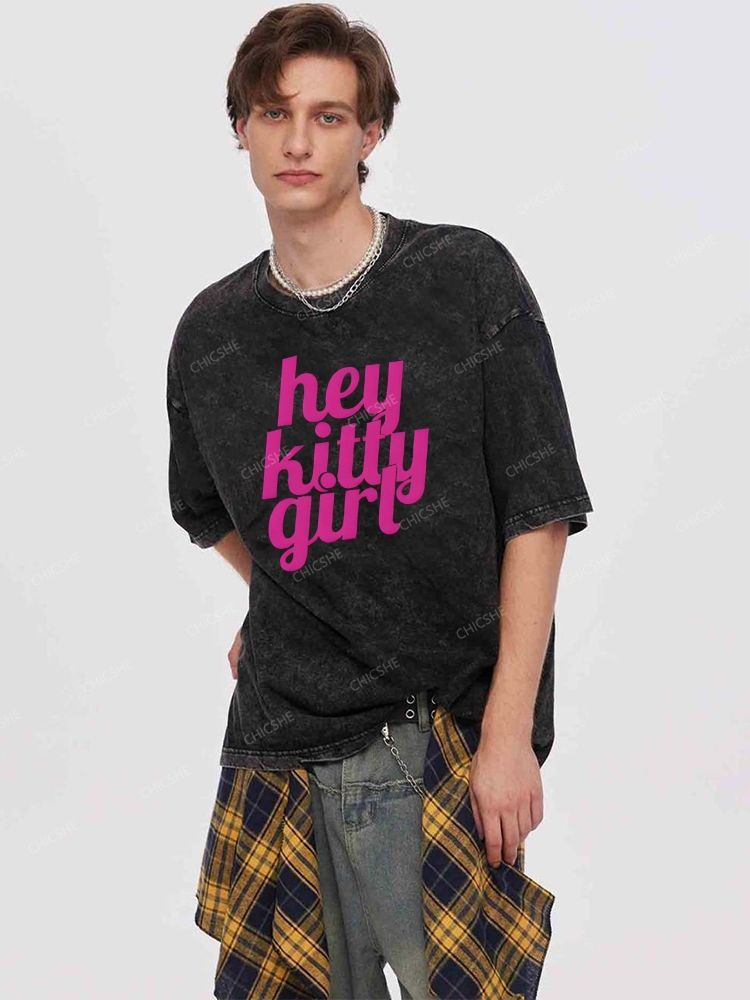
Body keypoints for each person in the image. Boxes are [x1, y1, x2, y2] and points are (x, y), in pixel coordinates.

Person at [166, 5, 594, 998]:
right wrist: (285, 590)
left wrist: (507, 734)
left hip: (429, 737)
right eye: (274, 114)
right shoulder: (212, 334)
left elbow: (538, 509)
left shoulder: (462, 278)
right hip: (276, 748)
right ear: (241, 129)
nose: (298, 141)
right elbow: (208, 508)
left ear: (370, 132)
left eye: (327, 116)